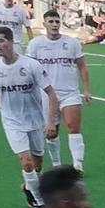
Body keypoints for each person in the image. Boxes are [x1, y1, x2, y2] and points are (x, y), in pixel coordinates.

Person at [0, 27, 59, 208]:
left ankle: (29, 187)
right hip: (12, 122)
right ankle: (40, 204)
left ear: (11, 42)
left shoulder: (31, 65)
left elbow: (51, 94)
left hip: (35, 120)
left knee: (37, 164)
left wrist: (51, 121)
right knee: (26, 162)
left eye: (1, 41)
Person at [27, 10, 92, 173]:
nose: (54, 24)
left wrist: (86, 89)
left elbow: (82, 66)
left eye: (57, 21)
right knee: (51, 132)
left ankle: (77, 164)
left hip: (69, 92)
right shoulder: (35, 44)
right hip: (46, 94)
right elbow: (30, 69)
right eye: (51, 21)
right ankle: (56, 163)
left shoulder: (72, 43)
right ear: (45, 24)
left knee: (73, 126)